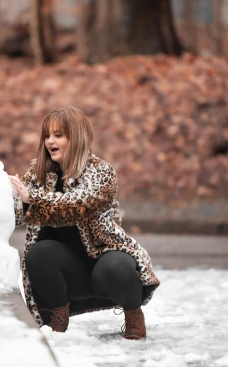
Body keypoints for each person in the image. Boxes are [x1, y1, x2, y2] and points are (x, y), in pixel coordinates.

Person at [9, 106, 160, 340]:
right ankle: (57, 319)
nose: (50, 141)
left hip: (104, 265)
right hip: (69, 273)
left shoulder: (101, 172)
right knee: (39, 253)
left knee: (116, 266)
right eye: (47, 136)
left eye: (58, 135)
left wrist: (32, 199)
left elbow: (76, 205)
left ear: (76, 137)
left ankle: (133, 314)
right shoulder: (38, 175)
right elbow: (15, 212)